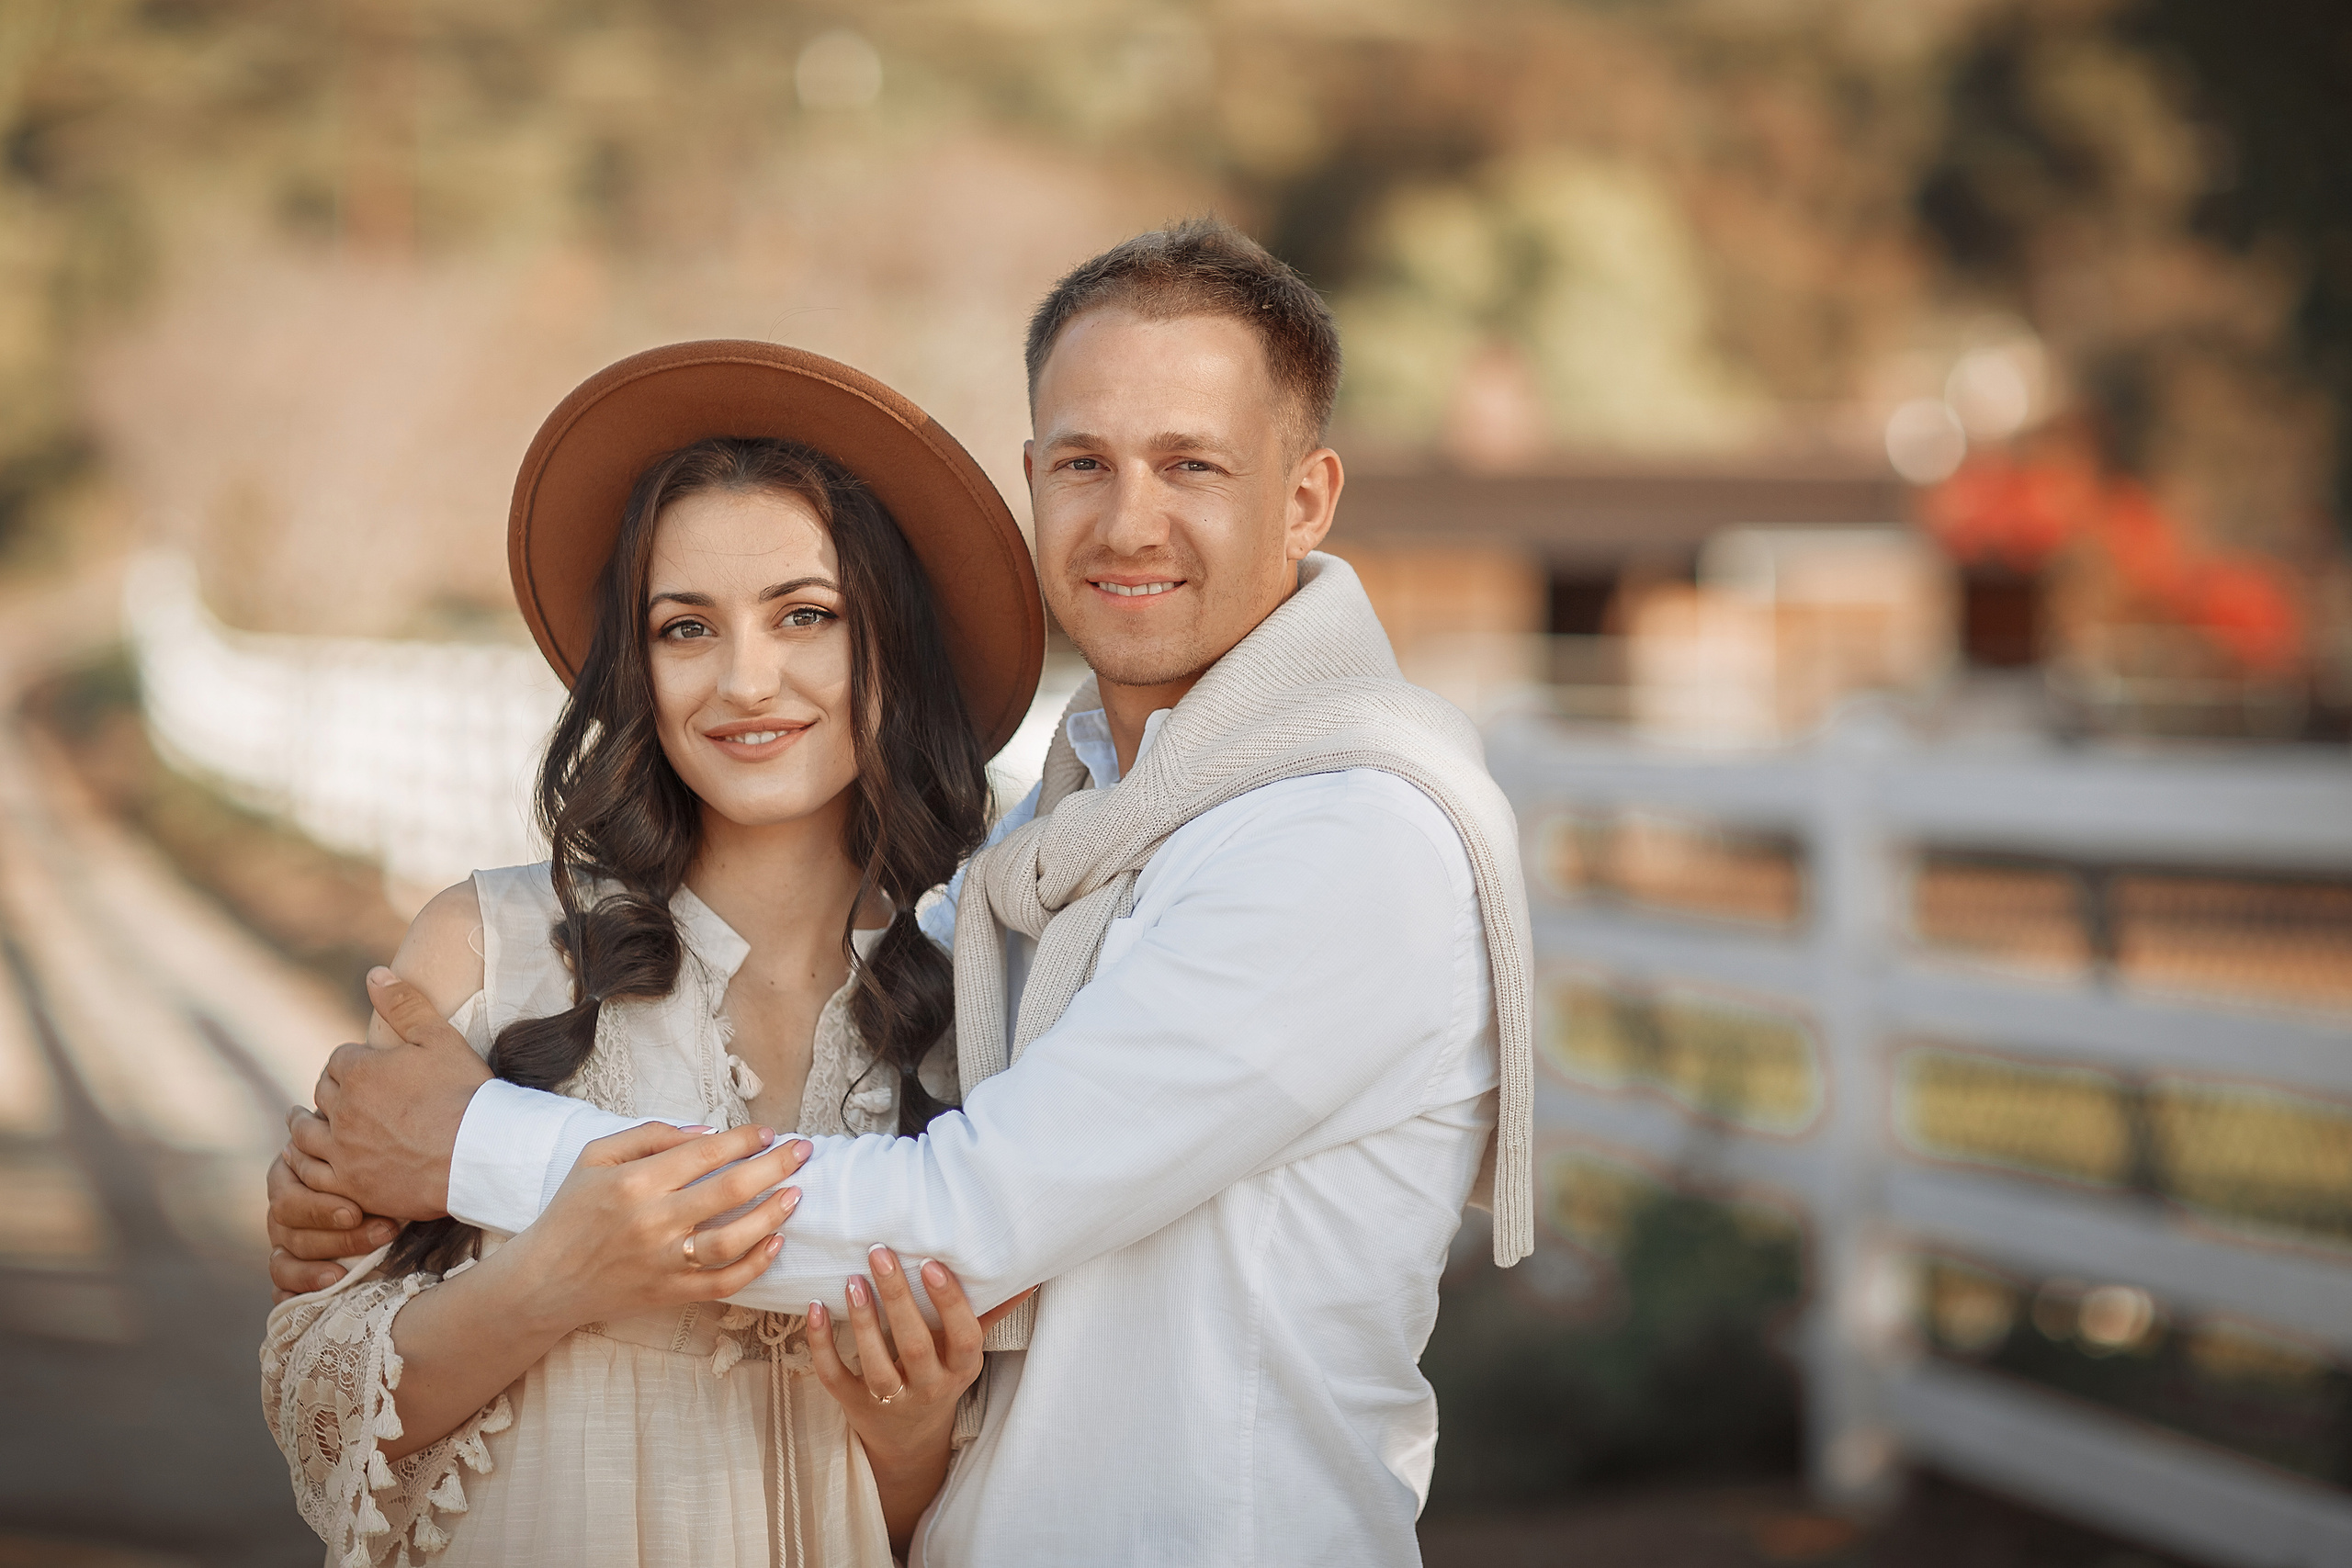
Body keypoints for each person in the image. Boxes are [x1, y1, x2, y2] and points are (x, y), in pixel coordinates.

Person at [270, 218, 1537, 1567]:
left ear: (1304, 497)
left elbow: (963, 1223)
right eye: (1085, 464)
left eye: (1193, 465)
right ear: (1033, 479)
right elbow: (329, 1364)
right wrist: (417, 1213)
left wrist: (477, 1151)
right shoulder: (1036, 875)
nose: (1128, 520)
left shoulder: (1332, 838)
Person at [259, 344, 1048, 1566]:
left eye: (806, 614)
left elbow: (961, 1516)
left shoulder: (986, 1012)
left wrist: (910, 1438)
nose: (745, 679)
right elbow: (322, 1405)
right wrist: (554, 1280)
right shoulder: (493, 950)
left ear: (896, 641)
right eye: (686, 628)